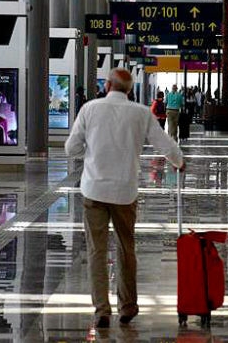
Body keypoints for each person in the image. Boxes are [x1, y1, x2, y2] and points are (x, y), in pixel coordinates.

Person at [65, 69, 185, 329]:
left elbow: (71, 148)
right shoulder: (141, 112)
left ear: (108, 85)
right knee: (126, 247)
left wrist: (90, 148)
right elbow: (163, 143)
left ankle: (101, 311)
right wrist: (179, 161)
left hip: (94, 190)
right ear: (129, 90)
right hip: (124, 191)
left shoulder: (89, 108)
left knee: (96, 251)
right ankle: (127, 306)